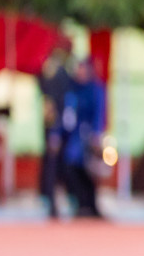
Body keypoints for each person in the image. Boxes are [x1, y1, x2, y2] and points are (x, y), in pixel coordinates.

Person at [59, 57, 106, 218]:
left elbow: (99, 113)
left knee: (90, 171)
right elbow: (68, 113)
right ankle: (81, 202)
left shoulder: (95, 89)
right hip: (75, 136)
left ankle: (91, 204)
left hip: (88, 135)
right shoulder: (73, 89)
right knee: (71, 168)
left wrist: (96, 134)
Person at [37, 52, 72, 218]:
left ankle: (54, 200)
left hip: (58, 129)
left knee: (57, 166)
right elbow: (52, 104)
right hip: (55, 129)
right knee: (53, 166)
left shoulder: (55, 70)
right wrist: (54, 132)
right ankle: (50, 201)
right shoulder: (56, 72)